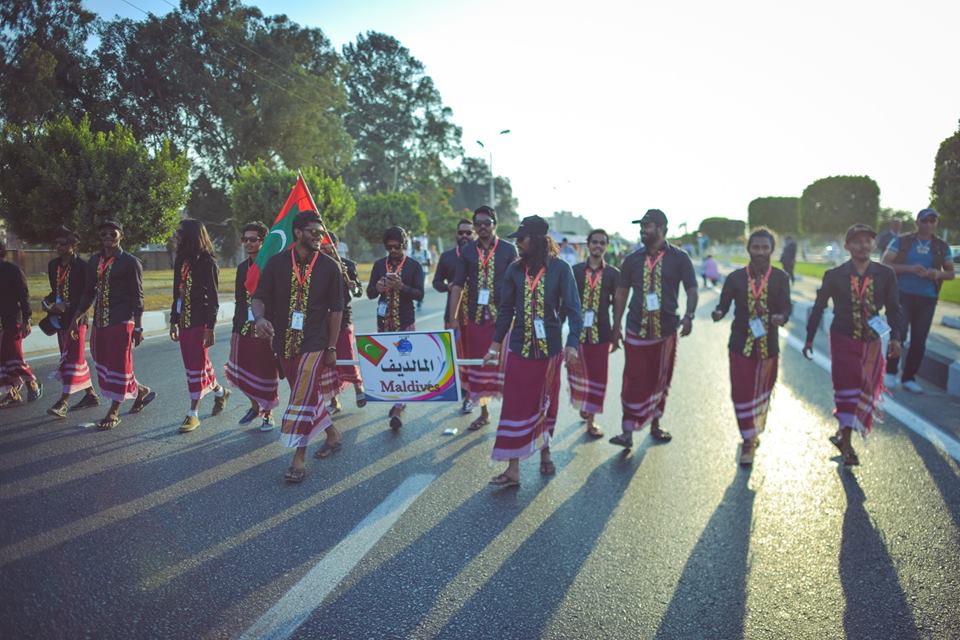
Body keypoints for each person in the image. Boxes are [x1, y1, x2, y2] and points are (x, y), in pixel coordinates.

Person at [485, 216, 582, 487]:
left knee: (545, 403)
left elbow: (574, 309)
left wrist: (573, 342)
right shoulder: (514, 270)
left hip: (549, 350)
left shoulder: (561, 269)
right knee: (514, 406)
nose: (517, 242)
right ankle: (513, 469)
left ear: (537, 240)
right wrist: (494, 345)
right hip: (518, 348)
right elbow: (505, 311)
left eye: (522, 237)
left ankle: (545, 453)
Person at [252, 210, 344, 483]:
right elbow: (259, 298)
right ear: (298, 233)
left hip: (315, 342)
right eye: (314, 231)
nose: (319, 236)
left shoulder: (330, 267)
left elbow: (336, 311)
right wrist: (259, 319)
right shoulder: (277, 264)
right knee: (306, 395)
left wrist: (331, 347)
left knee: (300, 398)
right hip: (283, 343)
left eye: (321, 232)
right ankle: (332, 435)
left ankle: (298, 458)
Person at [804, 224, 902, 466]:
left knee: (867, 387)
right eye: (857, 241)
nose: (863, 246)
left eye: (867, 241)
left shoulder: (885, 274)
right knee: (847, 389)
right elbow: (818, 307)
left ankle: (843, 432)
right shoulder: (834, 275)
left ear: (874, 244)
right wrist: (808, 338)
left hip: (872, 341)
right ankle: (847, 443)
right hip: (843, 339)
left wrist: (897, 337)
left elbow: (894, 308)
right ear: (847, 246)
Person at [609, 209, 698, 448]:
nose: (642, 230)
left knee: (660, 378)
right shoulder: (632, 259)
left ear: (662, 228)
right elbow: (621, 293)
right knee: (633, 378)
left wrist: (689, 315)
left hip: (665, 331)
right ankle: (627, 431)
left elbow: (691, 288)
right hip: (636, 328)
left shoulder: (679, 258)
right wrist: (615, 327)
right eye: (642, 226)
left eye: (647, 226)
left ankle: (656, 424)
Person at [711, 229, 791, 465]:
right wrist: (718, 313)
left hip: (768, 347)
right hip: (740, 346)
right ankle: (747, 439)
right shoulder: (735, 278)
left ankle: (753, 432)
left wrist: (781, 317)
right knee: (742, 393)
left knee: (761, 394)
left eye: (765, 248)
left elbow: (787, 307)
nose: (760, 252)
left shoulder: (780, 278)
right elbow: (723, 305)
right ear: (748, 249)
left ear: (771, 250)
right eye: (755, 248)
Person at [70, 220, 156, 430]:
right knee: (101, 361)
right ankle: (140, 390)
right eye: (104, 234)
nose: (108, 236)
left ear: (121, 236)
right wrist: (77, 316)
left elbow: (138, 296)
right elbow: (89, 291)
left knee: (119, 365)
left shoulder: (130, 262)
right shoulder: (94, 261)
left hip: (122, 320)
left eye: (113, 233)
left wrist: (138, 326)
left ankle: (114, 410)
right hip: (100, 320)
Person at [447, 206, 518, 430]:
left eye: (486, 223)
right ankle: (485, 412)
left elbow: (520, 283)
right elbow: (457, 285)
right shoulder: (467, 251)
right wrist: (453, 317)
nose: (482, 227)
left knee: (507, 368)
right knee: (480, 367)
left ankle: (512, 416)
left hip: (504, 318)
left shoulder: (508, 250)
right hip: (475, 320)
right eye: (478, 224)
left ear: (494, 224)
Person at [882, 208, 955, 393]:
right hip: (902, 295)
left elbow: (951, 273)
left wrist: (935, 273)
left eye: (933, 221)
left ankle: (909, 377)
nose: (929, 224)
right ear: (917, 222)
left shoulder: (941, 246)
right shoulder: (902, 241)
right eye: (925, 220)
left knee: (919, 340)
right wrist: (910, 269)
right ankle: (890, 372)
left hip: (927, 298)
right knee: (898, 334)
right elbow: (885, 263)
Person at [169, 219, 228, 433]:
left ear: (191, 235)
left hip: (200, 322)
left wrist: (210, 328)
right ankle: (221, 392)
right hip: (184, 321)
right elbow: (177, 293)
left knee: (197, 364)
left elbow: (213, 299)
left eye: (180, 232)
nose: (176, 235)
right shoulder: (181, 260)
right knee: (196, 364)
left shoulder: (208, 262)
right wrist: (173, 321)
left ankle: (193, 413)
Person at [367, 226, 424, 431]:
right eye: (389, 247)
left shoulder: (414, 266)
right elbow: (370, 293)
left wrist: (401, 287)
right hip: (384, 324)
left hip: (405, 324)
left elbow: (419, 294)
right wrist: (378, 288)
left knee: (404, 366)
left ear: (405, 245)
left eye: (397, 247)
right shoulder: (378, 265)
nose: (393, 251)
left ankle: (398, 408)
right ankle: (397, 401)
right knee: (388, 365)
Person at [566, 229, 620, 438]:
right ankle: (583, 403)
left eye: (602, 243)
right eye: (594, 242)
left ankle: (591, 420)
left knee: (599, 377)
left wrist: (617, 333)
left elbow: (617, 305)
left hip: (601, 334)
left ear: (606, 246)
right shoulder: (575, 271)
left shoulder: (613, 274)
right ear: (588, 245)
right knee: (578, 373)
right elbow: (567, 302)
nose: (598, 246)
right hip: (578, 334)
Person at [225, 222, 279, 431]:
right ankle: (255, 406)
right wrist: (236, 327)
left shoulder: (273, 266)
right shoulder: (241, 269)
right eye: (245, 239)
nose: (248, 243)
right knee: (243, 369)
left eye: (253, 239)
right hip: (244, 328)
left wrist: (272, 326)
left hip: (266, 329)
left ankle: (269, 413)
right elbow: (240, 300)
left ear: (263, 242)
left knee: (265, 371)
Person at [44, 227, 98, 417]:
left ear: (73, 245)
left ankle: (63, 402)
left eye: (63, 243)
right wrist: (47, 304)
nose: (58, 247)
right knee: (72, 358)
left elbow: (89, 294)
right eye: (56, 243)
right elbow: (55, 291)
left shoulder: (84, 267)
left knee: (72, 358)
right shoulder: (53, 266)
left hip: (77, 319)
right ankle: (90, 395)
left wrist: (71, 309)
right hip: (59, 319)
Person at [322, 230, 367, 416]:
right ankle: (334, 400)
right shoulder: (315, 266)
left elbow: (358, 292)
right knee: (326, 361)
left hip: (343, 318)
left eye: (330, 245)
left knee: (346, 354)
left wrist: (352, 286)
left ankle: (358, 387)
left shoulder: (347, 265)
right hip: (321, 321)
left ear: (336, 245)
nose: (326, 249)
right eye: (323, 245)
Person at [433, 218, 475, 411]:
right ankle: (462, 391)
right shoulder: (448, 256)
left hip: (476, 317)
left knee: (474, 356)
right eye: (461, 233)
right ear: (456, 235)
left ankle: (472, 395)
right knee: (455, 355)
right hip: (453, 316)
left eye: (468, 232)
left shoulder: (480, 256)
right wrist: (449, 286)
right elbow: (436, 282)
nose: (465, 236)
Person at [0, 240, 42, 408]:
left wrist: (27, 319)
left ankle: (33, 384)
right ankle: (13, 394)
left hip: (12, 320)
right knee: (1, 360)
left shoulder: (12, 270)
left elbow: (24, 296)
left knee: (15, 358)